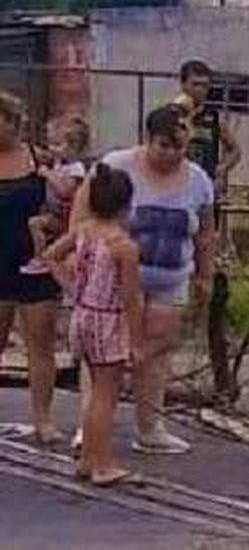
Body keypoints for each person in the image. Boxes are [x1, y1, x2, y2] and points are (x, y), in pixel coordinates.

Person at [82, 104, 215, 455]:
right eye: (164, 145)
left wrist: (205, 274)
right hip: (115, 278)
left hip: (170, 276)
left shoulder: (199, 179)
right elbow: (85, 214)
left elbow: (205, 233)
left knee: (157, 348)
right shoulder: (115, 165)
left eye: (180, 147)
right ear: (148, 139)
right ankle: (92, 427)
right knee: (105, 354)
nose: (171, 154)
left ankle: (150, 426)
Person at [32, 162, 143, 486]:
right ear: (126, 204)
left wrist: (72, 286)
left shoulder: (83, 231)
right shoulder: (124, 246)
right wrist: (136, 342)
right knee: (106, 395)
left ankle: (87, 460)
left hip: (82, 315)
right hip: (109, 319)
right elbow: (131, 298)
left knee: (96, 389)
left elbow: (50, 255)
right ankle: (101, 463)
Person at [0, 91, 61, 446]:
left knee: (40, 345)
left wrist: (51, 222)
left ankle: (43, 419)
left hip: (34, 265)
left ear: (12, 122)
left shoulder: (39, 159)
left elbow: (66, 203)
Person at [170, 60, 242, 195]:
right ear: (183, 84)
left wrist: (221, 170)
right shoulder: (170, 114)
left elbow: (235, 150)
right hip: (176, 184)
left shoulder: (213, 117)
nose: (200, 90)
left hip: (205, 185)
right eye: (195, 84)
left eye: (205, 85)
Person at [29, 114, 90, 259]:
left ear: (74, 147)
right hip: (53, 212)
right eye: (51, 144)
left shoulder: (76, 168)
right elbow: (41, 154)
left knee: (35, 224)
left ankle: (40, 258)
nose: (52, 149)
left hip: (66, 218)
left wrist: (48, 173)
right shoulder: (59, 161)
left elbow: (65, 191)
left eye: (57, 145)